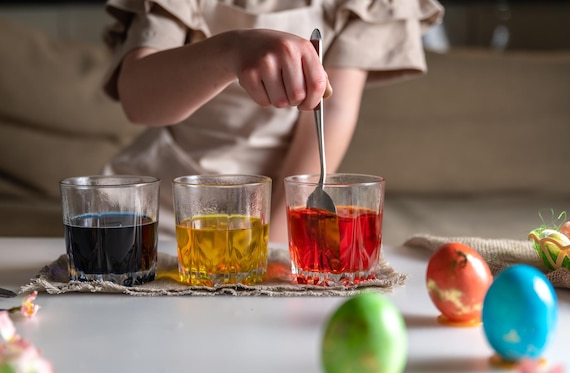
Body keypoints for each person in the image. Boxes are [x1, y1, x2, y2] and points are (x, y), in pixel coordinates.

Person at [101, 0, 444, 243]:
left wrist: (276, 245)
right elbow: (138, 101)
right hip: (164, 215)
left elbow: (332, 110)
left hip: (277, 213)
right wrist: (230, 51)